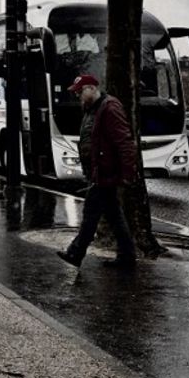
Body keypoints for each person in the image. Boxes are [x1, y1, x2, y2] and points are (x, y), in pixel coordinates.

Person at [57, 74, 138, 270]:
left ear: (92, 88)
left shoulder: (109, 108)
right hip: (99, 172)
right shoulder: (92, 109)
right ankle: (127, 256)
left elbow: (124, 142)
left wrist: (128, 173)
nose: (78, 96)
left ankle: (75, 253)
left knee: (90, 215)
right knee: (114, 216)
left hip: (106, 173)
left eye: (80, 91)